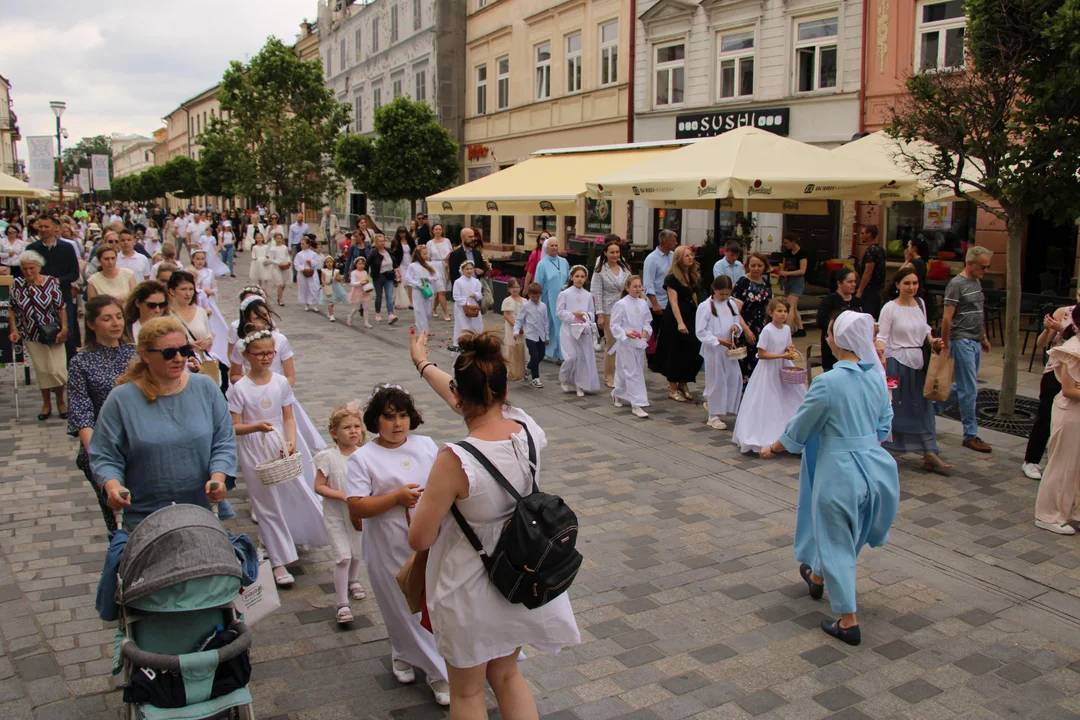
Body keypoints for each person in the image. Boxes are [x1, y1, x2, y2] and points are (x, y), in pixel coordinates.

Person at [407, 330, 580, 719]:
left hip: (468, 586)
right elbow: (472, 402)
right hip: (517, 576)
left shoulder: (455, 459)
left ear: (459, 396)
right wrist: (423, 365)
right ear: (503, 391)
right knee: (505, 675)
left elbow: (420, 537)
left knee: (467, 694)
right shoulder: (526, 429)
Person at [759, 311, 899, 647]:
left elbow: (802, 425)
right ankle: (818, 575)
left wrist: (775, 448)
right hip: (877, 470)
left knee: (836, 537)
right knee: (851, 533)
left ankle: (847, 620)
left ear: (837, 340)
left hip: (840, 470)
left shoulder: (829, 381)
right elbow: (884, 423)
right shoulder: (875, 378)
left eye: (831, 332)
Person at [346, 385, 450, 706]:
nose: (397, 423)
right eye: (388, 417)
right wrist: (395, 498)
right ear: (375, 421)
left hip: (429, 540)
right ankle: (434, 671)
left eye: (402, 415)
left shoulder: (426, 445)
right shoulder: (363, 458)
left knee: (430, 606)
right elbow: (357, 506)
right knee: (400, 609)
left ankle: (419, 659)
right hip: (386, 545)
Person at [89, 317, 234, 530]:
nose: (179, 358)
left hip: (201, 510)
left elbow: (223, 440)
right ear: (146, 355)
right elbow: (105, 453)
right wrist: (113, 486)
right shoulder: (121, 398)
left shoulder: (205, 387)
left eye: (184, 350)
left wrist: (218, 477)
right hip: (146, 516)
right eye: (169, 353)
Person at [228, 330, 327, 586]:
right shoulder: (240, 388)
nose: (266, 358)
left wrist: (291, 440)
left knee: (292, 491)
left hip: (279, 441)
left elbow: (288, 416)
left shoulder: (280, 382)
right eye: (260, 353)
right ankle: (278, 560)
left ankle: (296, 534)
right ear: (247, 355)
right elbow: (234, 426)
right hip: (254, 445)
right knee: (265, 501)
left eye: (270, 352)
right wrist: (256, 427)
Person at [67, 296, 137, 532]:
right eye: (107, 319)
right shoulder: (81, 362)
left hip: (142, 441)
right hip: (104, 444)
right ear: (91, 323)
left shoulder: (136, 354)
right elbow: (81, 413)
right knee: (119, 517)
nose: (116, 323)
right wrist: (98, 455)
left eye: (118, 317)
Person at [876, 267, 950, 473]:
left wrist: (932, 340)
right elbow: (882, 335)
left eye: (915, 283)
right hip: (897, 362)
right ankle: (886, 448)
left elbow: (925, 328)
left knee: (922, 407)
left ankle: (929, 450)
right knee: (897, 408)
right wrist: (880, 349)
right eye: (907, 283)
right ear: (898, 285)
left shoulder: (920, 304)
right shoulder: (890, 308)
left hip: (918, 362)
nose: (911, 287)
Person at [314, 404, 368, 624]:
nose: (353, 431)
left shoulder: (365, 455)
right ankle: (342, 603)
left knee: (357, 552)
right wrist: (342, 495)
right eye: (347, 427)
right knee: (343, 557)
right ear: (334, 433)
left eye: (357, 426)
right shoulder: (327, 457)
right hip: (336, 516)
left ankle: (353, 580)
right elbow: (319, 486)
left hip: (358, 515)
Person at [938, 246, 993, 453]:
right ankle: (970, 434)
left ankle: (930, 409)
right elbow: (946, 318)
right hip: (961, 341)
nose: (985, 271)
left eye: (988, 267)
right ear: (970, 263)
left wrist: (983, 337)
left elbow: (978, 312)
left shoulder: (976, 282)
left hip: (974, 341)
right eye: (983, 267)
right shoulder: (956, 284)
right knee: (969, 389)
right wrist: (945, 346)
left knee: (962, 387)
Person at [731, 299, 806, 453]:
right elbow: (762, 354)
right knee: (768, 400)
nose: (783, 314)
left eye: (785, 311)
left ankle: (789, 434)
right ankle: (765, 435)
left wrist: (790, 352)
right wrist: (781, 356)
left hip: (783, 366)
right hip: (768, 370)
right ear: (771, 313)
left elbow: (788, 345)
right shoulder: (768, 330)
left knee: (790, 398)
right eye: (779, 311)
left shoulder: (786, 329)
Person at [1033, 305, 1080, 535]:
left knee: (1077, 467)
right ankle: (1048, 515)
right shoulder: (1072, 350)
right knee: (1061, 464)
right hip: (1070, 413)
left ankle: (1074, 512)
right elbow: (1070, 390)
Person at [1022, 293, 1078, 480]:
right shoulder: (1063, 312)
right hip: (1055, 370)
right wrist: (1048, 330)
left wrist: (1062, 328)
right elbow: (1041, 344)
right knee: (1045, 415)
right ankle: (1031, 461)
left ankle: (1062, 464)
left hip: (1076, 373)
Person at [8, 250, 69, 420]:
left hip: (52, 332)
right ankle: (46, 404)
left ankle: (61, 401)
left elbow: (61, 307)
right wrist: (14, 329)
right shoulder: (18, 284)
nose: (28, 272)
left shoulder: (51, 282)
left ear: (39, 267)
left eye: (31, 268)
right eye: (24, 268)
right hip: (31, 334)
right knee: (43, 370)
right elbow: (12, 308)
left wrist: (64, 328)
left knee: (56, 369)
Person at [696, 276, 750, 430]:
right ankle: (713, 415)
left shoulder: (731, 304)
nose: (725, 297)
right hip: (714, 349)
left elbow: (735, 321)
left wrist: (736, 328)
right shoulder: (705, 306)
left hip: (729, 348)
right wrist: (717, 340)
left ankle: (727, 406)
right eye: (722, 294)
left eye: (727, 294)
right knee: (716, 380)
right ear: (714, 289)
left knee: (734, 377)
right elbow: (700, 331)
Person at [27, 214, 81, 362]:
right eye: (40, 226)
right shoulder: (32, 248)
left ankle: (71, 368)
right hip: (40, 299)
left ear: (55, 228)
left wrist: (57, 281)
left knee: (68, 332)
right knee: (44, 333)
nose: (43, 229)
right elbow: (26, 273)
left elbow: (74, 274)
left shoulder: (67, 247)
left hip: (63, 296)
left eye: (46, 226)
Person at [656, 246, 702, 402]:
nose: (690, 258)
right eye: (686, 256)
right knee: (674, 351)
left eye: (691, 255)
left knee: (691, 349)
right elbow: (673, 302)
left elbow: (694, 297)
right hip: (675, 318)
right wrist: (680, 322)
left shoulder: (692, 276)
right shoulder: (672, 278)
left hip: (690, 314)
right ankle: (673, 387)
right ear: (679, 259)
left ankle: (683, 382)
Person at [609, 275, 652, 418]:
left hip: (639, 343)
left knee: (626, 370)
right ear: (627, 288)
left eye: (640, 286)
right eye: (635, 286)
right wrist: (625, 334)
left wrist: (646, 331)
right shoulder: (621, 304)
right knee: (633, 372)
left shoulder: (643, 303)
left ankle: (617, 392)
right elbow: (614, 325)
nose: (638, 289)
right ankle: (637, 404)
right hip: (626, 344)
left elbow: (647, 320)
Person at [591, 239, 630, 388]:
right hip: (608, 310)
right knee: (612, 342)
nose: (615, 255)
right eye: (612, 252)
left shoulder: (625, 268)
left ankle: (623, 373)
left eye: (617, 252)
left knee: (625, 342)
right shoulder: (600, 271)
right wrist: (600, 314)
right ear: (606, 253)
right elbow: (597, 293)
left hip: (625, 308)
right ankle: (609, 375)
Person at [557, 265, 601, 397]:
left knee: (581, 358)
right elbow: (559, 313)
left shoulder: (588, 295)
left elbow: (591, 313)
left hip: (583, 330)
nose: (580, 279)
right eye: (577, 276)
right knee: (571, 357)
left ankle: (579, 385)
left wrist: (585, 319)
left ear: (586, 279)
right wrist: (573, 315)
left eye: (582, 277)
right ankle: (564, 378)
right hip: (568, 330)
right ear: (571, 277)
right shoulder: (564, 294)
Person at [732, 252, 772, 380]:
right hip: (745, 327)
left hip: (761, 327)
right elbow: (736, 311)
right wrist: (746, 330)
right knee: (745, 364)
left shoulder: (765, 283)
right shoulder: (743, 283)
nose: (756, 268)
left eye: (759, 266)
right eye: (753, 265)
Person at [644, 230, 678, 372]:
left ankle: (664, 359)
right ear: (666, 242)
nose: (676, 243)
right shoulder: (652, 259)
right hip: (658, 302)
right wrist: (655, 303)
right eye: (674, 240)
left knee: (668, 333)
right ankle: (652, 361)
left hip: (671, 301)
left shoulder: (673, 256)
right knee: (655, 333)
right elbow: (648, 283)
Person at [816, 269, 863, 371]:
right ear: (839, 283)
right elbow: (821, 322)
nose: (853, 285)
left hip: (856, 350)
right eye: (850, 282)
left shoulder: (857, 301)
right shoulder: (829, 301)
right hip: (833, 351)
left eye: (854, 281)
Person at [534, 237, 569, 361]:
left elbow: (568, 278)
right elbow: (538, 283)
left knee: (561, 326)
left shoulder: (564, 261)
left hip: (562, 299)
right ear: (546, 248)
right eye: (551, 245)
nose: (554, 248)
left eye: (556, 245)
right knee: (549, 325)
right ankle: (547, 350)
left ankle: (561, 353)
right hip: (548, 299)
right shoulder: (542, 264)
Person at [514, 283, 550, 388]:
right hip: (530, 335)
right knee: (534, 355)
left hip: (541, 335)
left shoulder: (543, 306)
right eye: (533, 296)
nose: (535, 299)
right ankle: (535, 378)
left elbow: (546, 322)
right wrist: (516, 331)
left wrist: (547, 336)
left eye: (537, 296)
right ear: (529, 295)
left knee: (541, 355)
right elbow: (519, 319)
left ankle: (529, 366)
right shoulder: (526, 305)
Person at [778, 233, 808, 338]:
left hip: (798, 281)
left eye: (787, 243)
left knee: (790, 306)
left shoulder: (802, 254)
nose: (785, 244)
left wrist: (787, 273)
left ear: (793, 242)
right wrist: (781, 273)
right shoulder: (788, 253)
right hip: (789, 281)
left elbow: (802, 270)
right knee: (794, 308)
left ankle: (786, 331)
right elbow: (784, 265)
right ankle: (801, 329)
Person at [404, 245, 438, 335]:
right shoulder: (413, 266)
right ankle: (423, 332)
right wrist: (417, 284)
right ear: (418, 255)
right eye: (424, 253)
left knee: (427, 312)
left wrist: (428, 279)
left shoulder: (430, 264)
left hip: (428, 290)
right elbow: (408, 278)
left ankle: (423, 327)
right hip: (418, 291)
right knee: (419, 310)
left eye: (426, 253)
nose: (426, 255)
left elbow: (436, 276)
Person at [855, 224, 887, 320]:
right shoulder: (880, 249)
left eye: (863, 233)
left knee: (869, 315)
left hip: (871, 288)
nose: (861, 236)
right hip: (879, 287)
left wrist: (860, 290)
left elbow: (868, 271)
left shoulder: (871, 250)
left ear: (869, 234)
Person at [452, 261, 484, 350]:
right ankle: (462, 345)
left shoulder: (476, 281)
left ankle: (475, 344)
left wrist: (476, 295)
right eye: (467, 269)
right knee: (463, 326)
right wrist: (466, 302)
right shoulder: (458, 282)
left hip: (474, 307)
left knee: (477, 325)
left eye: (471, 269)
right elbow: (456, 296)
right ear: (462, 270)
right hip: (461, 308)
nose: (469, 271)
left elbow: (480, 294)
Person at [368, 234, 399, 324]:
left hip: (389, 276)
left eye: (383, 241)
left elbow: (394, 263)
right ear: (376, 243)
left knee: (389, 295)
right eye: (380, 241)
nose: (382, 243)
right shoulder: (373, 253)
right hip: (378, 277)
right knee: (379, 296)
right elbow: (367, 264)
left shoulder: (388, 251)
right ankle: (378, 313)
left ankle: (390, 314)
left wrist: (397, 273)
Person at [425, 222, 453, 322]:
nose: (438, 231)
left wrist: (448, 257)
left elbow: (450, 251)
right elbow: (427, 257)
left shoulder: (447, 241)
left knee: (441, 290)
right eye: (436, 229)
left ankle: (433, 308)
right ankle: (446, 313)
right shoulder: (430, 243)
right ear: (433, 231)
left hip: (445, 266)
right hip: (435, 267)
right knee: (441, 291)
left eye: (439, 229)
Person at [501, 279, 526, 381]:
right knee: (511, 346)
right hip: (511, 326)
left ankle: (523, 368)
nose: (515, 289)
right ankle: (509, 369)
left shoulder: (525, 301)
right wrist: (516, 325)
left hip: (523, 327)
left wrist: (523, 326)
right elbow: (506, 315)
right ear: (509, 289)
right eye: (513, 287)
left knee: (522, 346)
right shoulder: (507, 300)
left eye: (517, 287)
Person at [293, 236, 323, 312]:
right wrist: (303, 268)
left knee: (314, 288)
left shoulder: (313, 254)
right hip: (303, 273)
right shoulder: (299, 254)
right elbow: (296, 264)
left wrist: (311, 262)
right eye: (301, 244)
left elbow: (317, 262)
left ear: (308, 245)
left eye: (303, 244)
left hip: (312, 273)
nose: (301, 245)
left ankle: (313, 304)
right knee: (304, 288)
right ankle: (306, 303)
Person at [348, 257, 375, 329]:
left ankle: (366, 322)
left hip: (364, 291)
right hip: (357, 291)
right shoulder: (354, 272)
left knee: (366, 307)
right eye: (359, 264)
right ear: (356, 264)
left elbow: (367, 279)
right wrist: (360, 282)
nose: (361, 265)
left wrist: (367, 282)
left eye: (363, 264)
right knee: (356, 308)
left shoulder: (365, 272)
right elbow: (352, 283)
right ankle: (350, 316)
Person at [268, 233, 291, 306]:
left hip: (285, 265)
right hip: (276, 267)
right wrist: (278, 263)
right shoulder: (272, 248)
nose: (279, 240)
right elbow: (271, 259)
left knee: (283, 284)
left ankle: (279, 294)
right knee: (280, 284)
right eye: (277, 238)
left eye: (280, 238)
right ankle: (280, 299)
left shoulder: (284, 247)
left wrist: (288, 261)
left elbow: (287, 255)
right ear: (275, 239)